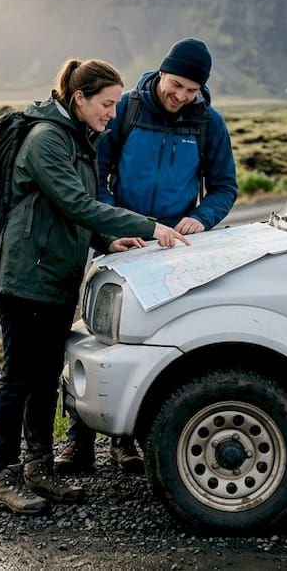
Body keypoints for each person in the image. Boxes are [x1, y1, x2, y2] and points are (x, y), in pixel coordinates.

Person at [0, 58, 186, 515]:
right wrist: (151, 227)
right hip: (23, 278)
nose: (113, 114)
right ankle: (5, 477)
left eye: (117, 105)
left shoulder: (81, 139)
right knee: (19, 377)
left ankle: (39, 470)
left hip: (58, 277)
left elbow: (78, 212)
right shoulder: (46, 140)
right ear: (79, 98)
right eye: (107, 104)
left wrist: (106, 239)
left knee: (43, 376)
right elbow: (75, 202)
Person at [55, 37, 239, 475]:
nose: (181, 97)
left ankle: (126, 442)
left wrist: (202, 217)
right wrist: (111, 229)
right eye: (176, 85)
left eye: (191, 91)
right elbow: (96, 173)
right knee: (95, 334)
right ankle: (77, 440)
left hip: (171, 249)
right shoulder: (128, 111)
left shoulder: (208, 123)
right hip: (121, 243)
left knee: (151, 340)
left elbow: (224, 187)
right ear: (161, 73)